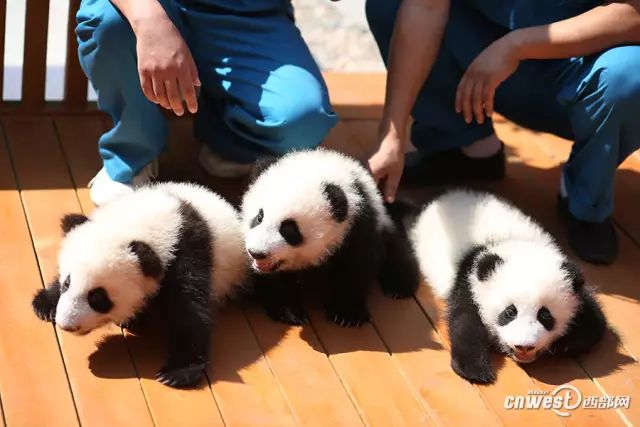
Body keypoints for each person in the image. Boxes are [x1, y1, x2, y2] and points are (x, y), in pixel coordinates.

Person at [365, 0, 640, 265]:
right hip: (486, 59)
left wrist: (517, 46)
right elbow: (425, 7)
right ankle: (464, 146)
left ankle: (585, 196)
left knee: (632, 76)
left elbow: (633, 14)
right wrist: (392, 132)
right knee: (391, 4)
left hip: (587, 71)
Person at [76, 0, 337, 206]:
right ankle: (133, 150)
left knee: (302, 120)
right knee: (107, 22)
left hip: (247, 11)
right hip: (153, 6)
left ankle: (229, 138)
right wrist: (149, 20)